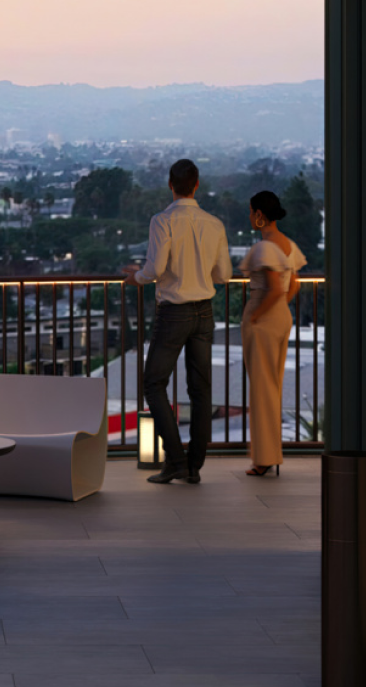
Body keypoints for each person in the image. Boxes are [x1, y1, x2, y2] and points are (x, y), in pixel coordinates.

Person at [122, 159, 229, 484]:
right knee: (200, 390)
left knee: (153, 384)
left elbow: (154, 270)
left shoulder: (162, 221)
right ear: (197, 185)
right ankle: (193, 466)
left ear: (171, 185)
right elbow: (223, 275)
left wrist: (136, 278)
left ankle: (176, 459)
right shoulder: (214, 224)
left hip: (173, 312)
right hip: (204, 311)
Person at [241, 188, 306, 477]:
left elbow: (274, 287)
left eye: (251, 211)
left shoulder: (265, 248)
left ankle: (264, 457)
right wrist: (279, 307)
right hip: (281, 316)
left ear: (259, 214)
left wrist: (255, 314)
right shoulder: (288, 245)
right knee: (272, 385)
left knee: (262, 388)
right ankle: (269, 454)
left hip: (264, 318)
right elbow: (293, 285)